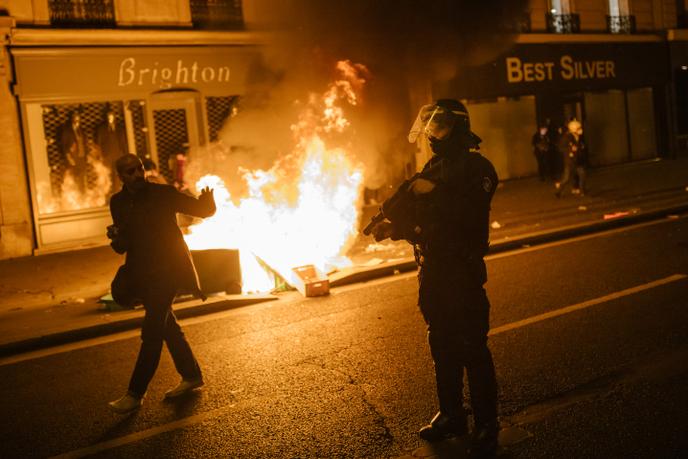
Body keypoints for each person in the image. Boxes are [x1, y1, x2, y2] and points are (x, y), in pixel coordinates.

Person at [371, 99, 500, 457]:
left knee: (473, 347)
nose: (432, 134)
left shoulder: (479, 168)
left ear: (459, 128)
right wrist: (392, 225)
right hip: (433, 271)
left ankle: (487, 424)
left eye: (439, 126)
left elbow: (465, 217)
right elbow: (418, 215)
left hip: (462, 270)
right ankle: (452, 414)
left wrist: (432, 196)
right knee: (440, 343)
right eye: (429, 126)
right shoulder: (433, 166)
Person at [106, 154, 215, 414]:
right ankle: (191, 375)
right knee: (167, 326)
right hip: (142, 273)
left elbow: (202, 211)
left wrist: (208, 200)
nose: (137, 175)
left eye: (140, 169)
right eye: (130, 172)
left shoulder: (163, 193)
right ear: (121, 176)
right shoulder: (118, 202)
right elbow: (123, 245)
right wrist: (115, 238)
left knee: (152, 330)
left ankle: (134, 394)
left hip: (169, 271)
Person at [95, 107, 128, 192]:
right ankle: (106, 195)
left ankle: (116, 192)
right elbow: (98, 144)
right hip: (107, 156)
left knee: (117, 175)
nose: (110, 118)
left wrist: (125, 154)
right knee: (106, 175)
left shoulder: (119, 128)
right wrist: (100, 156)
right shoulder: (101, 129)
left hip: (118, 155)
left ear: (114, 117)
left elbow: (123, 142)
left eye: (111, 116)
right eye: (108, 116)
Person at [555, 119, 588, 198]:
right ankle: (559, 191)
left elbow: (581, 148)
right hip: (570, 161)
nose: (581, 130)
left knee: (582, 175)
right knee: (566, 178)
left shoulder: (579, 137)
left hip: (578, 161)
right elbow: (561, 148)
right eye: (578, 128)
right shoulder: (567, 137)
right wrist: (570, 150)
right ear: (573, 129)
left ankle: (582, 191)